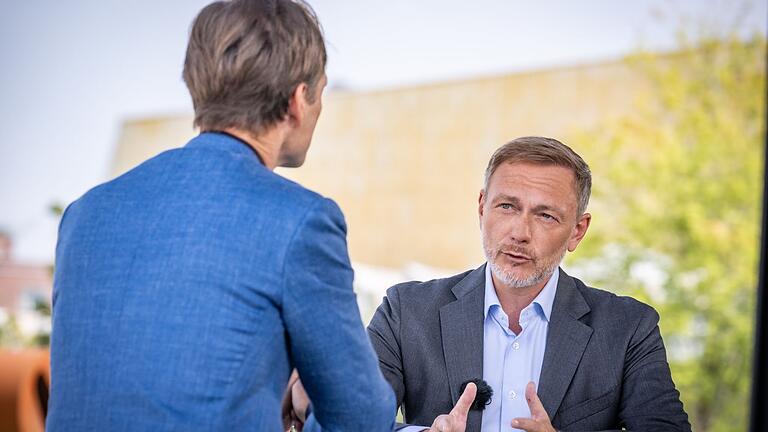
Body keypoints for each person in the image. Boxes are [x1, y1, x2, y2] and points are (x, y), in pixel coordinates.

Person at [47, 1, 395, 430]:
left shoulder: (85, 214)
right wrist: (304, 409)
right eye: (321, 92)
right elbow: (360, 416)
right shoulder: (301, 221)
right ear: (298, 100)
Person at [367, 136, 691, 431]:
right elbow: (344, 420)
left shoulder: (628, 327)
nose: (520, 233)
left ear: (578, 230)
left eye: (545, 215)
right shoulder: (405, 312)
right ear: (482, 208)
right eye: (507, 206)